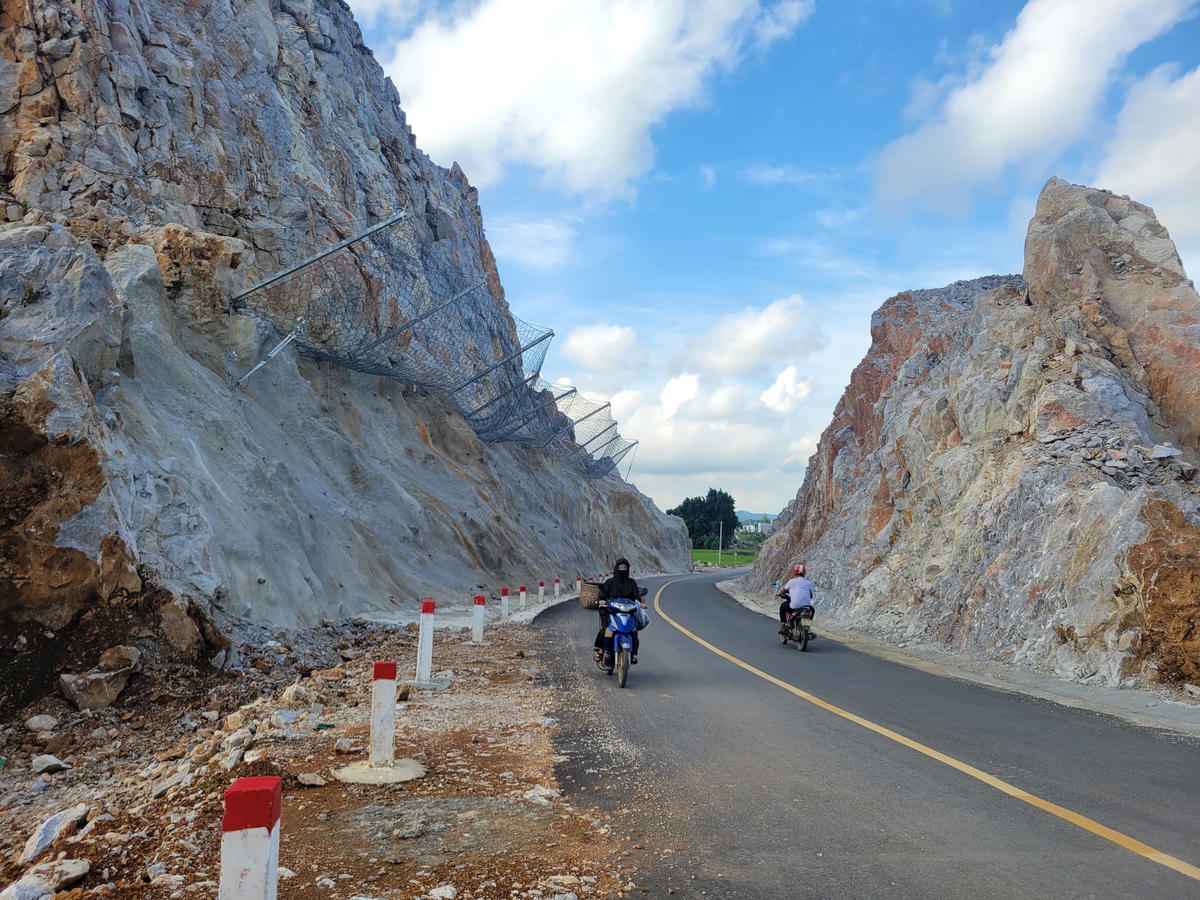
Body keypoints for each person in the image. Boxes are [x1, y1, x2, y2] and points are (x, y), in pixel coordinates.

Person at [594, 557, 646, 668]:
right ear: (616, 569)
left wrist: (640, 603)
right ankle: (601, 650)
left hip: (628, 612)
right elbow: (602, 594)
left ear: (628, 569)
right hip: (611, 611)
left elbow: (637, 597)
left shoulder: (631, 583)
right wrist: (602, 601)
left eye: (625, 568)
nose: (622, 570)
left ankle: (633, 654)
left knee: (634, 632)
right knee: (606, 630)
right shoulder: (610, 582)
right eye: (620, 567)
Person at [777, 564, 815, 633]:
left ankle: (783, 625)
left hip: (795, 606)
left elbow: (783, 590)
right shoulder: (809, 583)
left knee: (782, 607)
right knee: (812, 610)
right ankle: (807, 626)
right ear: (804, 573)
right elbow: (811, 596)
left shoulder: (791, 581)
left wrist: (778, 594)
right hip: (806, 606)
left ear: (795, 572)